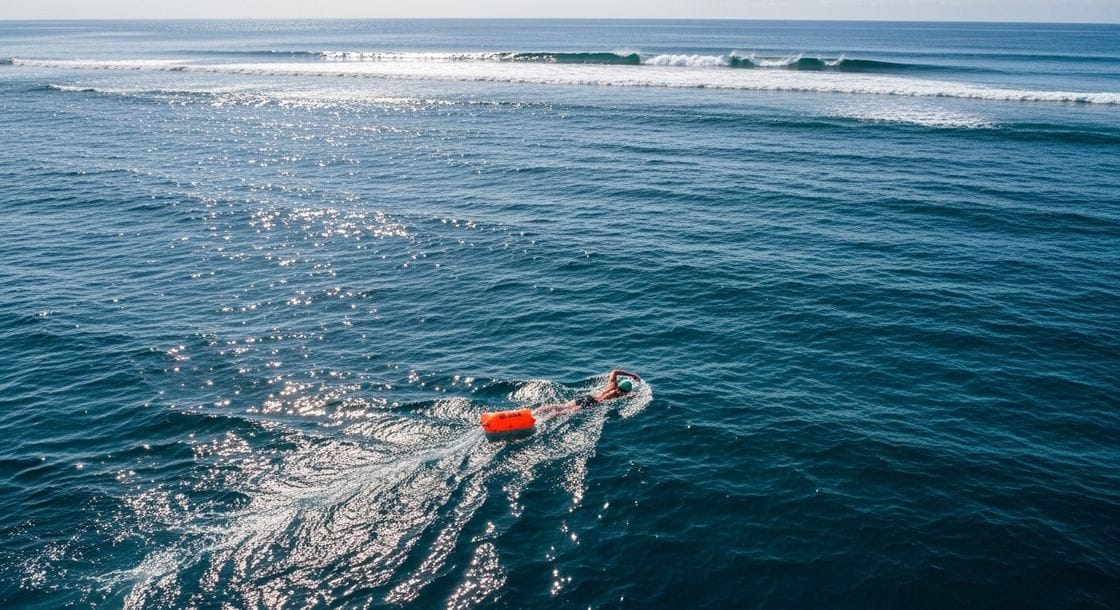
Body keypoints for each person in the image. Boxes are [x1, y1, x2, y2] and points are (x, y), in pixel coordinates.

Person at [534, 369, 642, 418]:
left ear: (620, 383)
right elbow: (632, 397)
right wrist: (638, 394)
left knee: (561, 406)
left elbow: (615, 371)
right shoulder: (621, 394)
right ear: (627, 391)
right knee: (565, 412)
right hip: (593, 403)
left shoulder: (612, 384)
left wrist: (632, 375)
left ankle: (535, 412)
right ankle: (542, 421)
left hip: (589, 397)